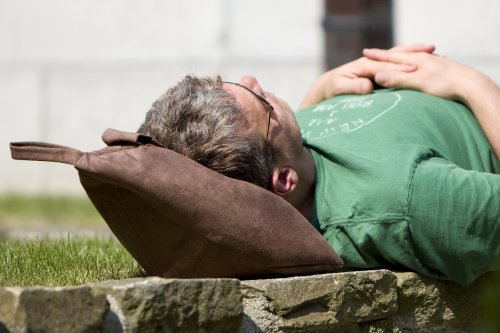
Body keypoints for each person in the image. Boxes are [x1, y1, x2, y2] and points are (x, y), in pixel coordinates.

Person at [138, 45, 500, 285]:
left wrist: (322, 91)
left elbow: (279, 168)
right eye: (261, 103)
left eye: (232, 84)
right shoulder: (406, 204)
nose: (253, 81)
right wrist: (469, 83)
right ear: (283, 180)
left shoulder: (284, 166)